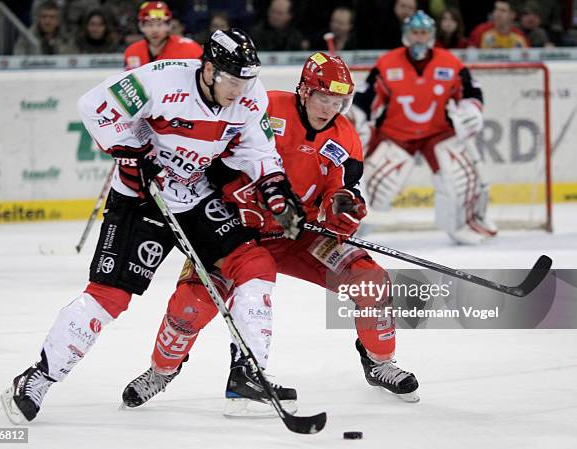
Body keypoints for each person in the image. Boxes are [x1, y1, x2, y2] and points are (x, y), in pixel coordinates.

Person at [0, 28, 305, 425]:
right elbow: (94, 106)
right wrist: (132, 152)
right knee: (109, 296)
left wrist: (277, 193)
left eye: (247, 79)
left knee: (255, 264)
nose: (240, 89)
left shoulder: (250, 97)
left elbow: (259, 153)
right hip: (139, 198)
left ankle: (249, 370)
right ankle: (37, 378)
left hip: (195, 193)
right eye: (232, 79)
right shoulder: (160, 80)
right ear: (209, 69)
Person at [120, 52, 420, 417]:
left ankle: (379, 362)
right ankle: (162, 370)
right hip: (234, 231)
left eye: (339, 100)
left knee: (371, 281)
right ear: (304, 91)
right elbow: (211, 160)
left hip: (300, 235)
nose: (330, 108)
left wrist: (343, 206)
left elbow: (345, 189)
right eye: (324, 97)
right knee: (189, 307)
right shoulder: (262, 107)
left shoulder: (346, 137)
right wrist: (233, 193)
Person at [351, 11, 497, 245]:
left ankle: (466, 225)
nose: (419, 38)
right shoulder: (387, 63)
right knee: (376, 189)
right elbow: (366, 96)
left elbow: (471, 91)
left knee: (459, 181)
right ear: (406, 35)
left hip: (439, 133)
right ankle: (351, 230)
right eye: (414, 33)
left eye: (424, 33)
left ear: (431, 35)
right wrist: (356, 115)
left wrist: (472, 109)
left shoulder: (450, 62)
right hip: (395, 135)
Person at [124, 1, 202, 70]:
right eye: (149, 25)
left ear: (169, 26)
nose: (155, 30)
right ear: (141, 27)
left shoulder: (190, 48)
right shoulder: (132, 51)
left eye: (160, 24)